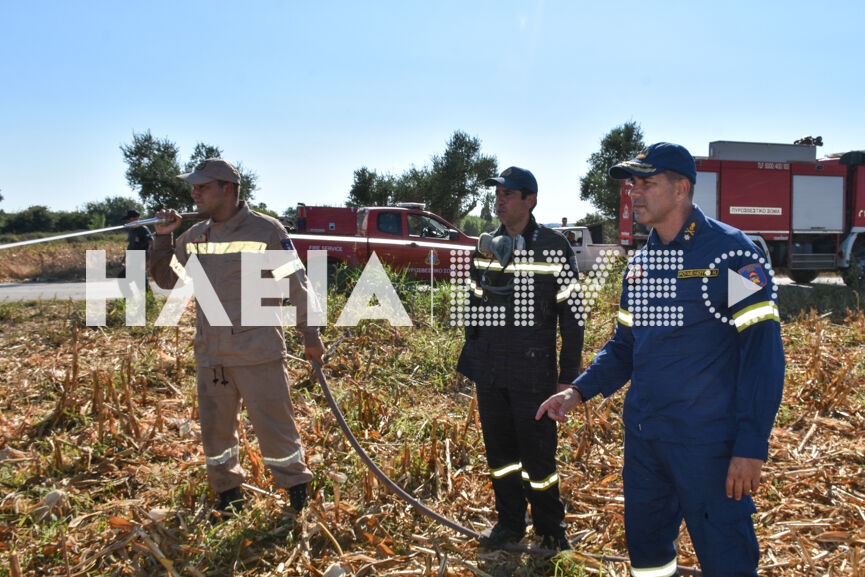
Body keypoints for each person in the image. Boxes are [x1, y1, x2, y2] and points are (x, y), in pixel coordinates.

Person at [536, 143, 784, 576]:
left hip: (709, 445)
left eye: (646, 183)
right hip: (646, 440)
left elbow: (764, 355)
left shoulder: (732, 255)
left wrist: (751, 446)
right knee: (649, 558)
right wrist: (578, 390)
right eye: (633, 183)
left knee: (727, 559)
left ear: (681, 189)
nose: (634, 192)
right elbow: (624, 347)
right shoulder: (641, 265)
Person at [149, 158, 324, 518]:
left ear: (228, 189)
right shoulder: (194, 237)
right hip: (212, 355)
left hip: (258, 351)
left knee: (276, 427)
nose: (194, 193)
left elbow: (298, 283)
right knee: (216, 433)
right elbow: (167, 281)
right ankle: (228, 495)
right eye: (193, 187)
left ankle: (296, 491)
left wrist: (310, 333)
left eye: (202, 186)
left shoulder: (266, 230)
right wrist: (163, 237)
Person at [457, 166, 584, 551]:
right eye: (497, 193)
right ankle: (510, 524)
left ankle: (550, 530)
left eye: (508, 194)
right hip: (491, 370)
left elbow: (573, 314)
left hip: (533, 371)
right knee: (500, 455)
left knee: (538, 457)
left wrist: (568, 377)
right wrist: (475, 358)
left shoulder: (553, 245)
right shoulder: (486, 246)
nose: (500, 200)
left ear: (530, 200)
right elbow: (474, 305)